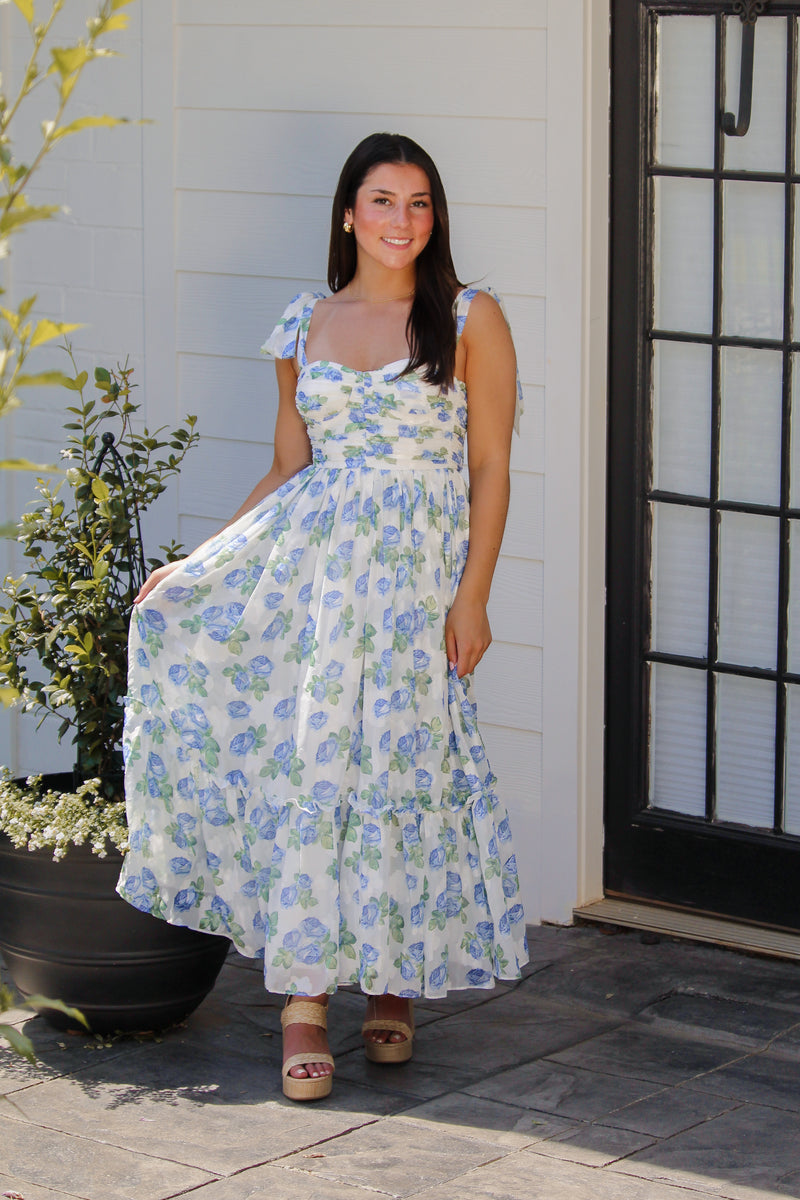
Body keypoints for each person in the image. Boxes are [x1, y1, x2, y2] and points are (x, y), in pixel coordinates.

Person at [118, 132, 529, 1102]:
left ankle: (390, 985)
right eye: (381, 201)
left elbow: (491, 467)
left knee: (399, 765)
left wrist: (472, 593)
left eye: (419, 203)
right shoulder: (302, 323)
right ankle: (303, 1003)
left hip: (413, 592)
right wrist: (200, 565)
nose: (402, 221)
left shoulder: (469, 318)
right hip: (315, 585)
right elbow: (288, 465)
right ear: (348, 213)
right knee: (314, 768)